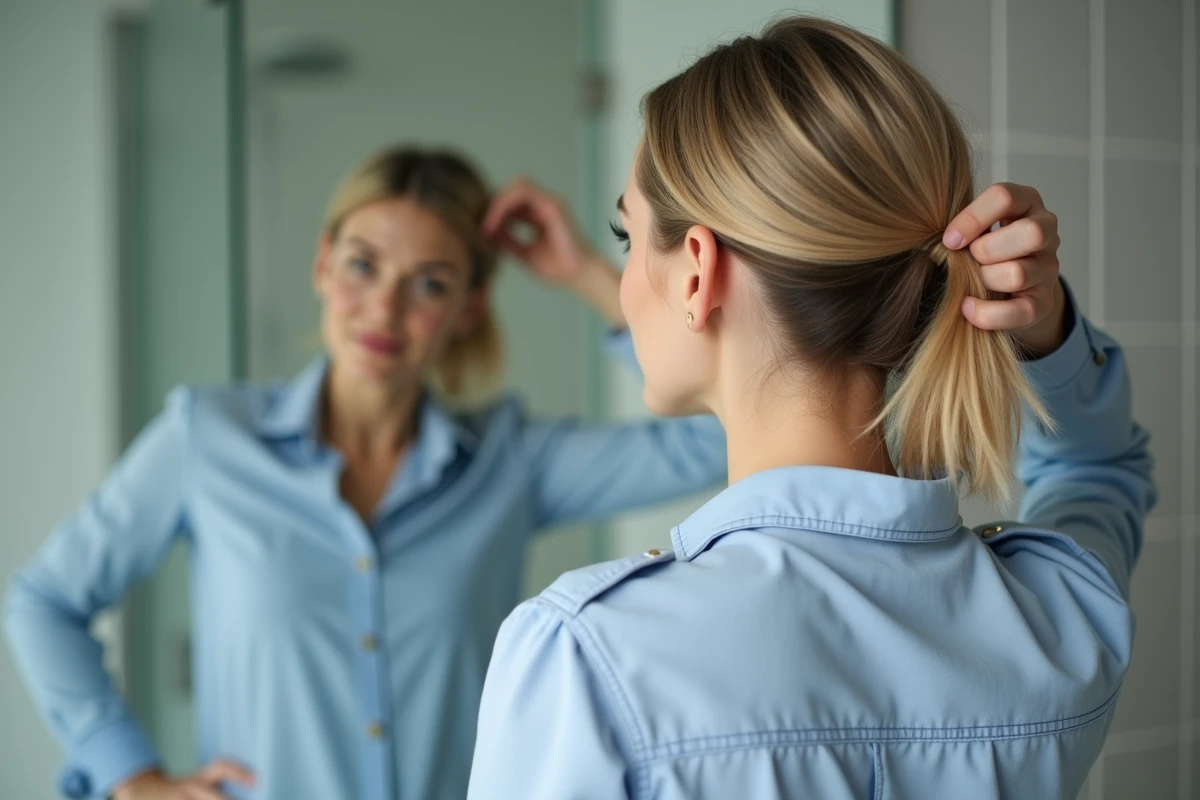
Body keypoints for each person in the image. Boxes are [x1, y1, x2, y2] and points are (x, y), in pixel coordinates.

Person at [468, 17, 1155, 800]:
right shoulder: (1060, 620)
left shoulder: (590, 660)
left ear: (695, 271)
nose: (623, 282)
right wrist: (1046, 329)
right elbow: (1099, 465)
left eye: (629, 239)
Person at [4, 147, 733, 800]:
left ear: (470, 307)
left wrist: (588, 275)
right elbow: (44, 600)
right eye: (362, 265)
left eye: (430, 284)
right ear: (323, 265)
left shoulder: (509, 462)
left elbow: (718, 434)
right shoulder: (207, 440)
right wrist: (131, 776)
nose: (384, 307)